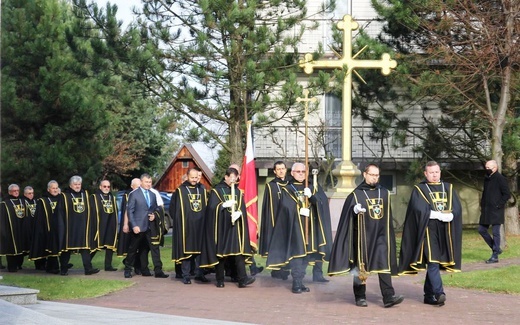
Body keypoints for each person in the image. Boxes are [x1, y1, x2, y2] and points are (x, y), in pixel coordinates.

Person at [328, 164, 404, 308]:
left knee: (384, 264)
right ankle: (360, 296)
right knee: (361, 267)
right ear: (365, 174)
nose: (375, 178)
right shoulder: (356, 194)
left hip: (381, 236)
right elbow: (347, 217)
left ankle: (388, 296)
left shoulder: (385, 193)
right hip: (363, 237)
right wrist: (354, 210)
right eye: (372, 175)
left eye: (377, 175)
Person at [399, 161, 462, 306]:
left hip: (445, 230)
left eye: (437, 172)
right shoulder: (419, 189)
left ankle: (428, 295)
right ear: (425, 174)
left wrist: (452, 215)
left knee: (436, 262)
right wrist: (434, 214)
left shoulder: (448, 188)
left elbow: (457, 207)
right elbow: (417, 209)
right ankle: (439, 293)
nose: (434, 175)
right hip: (428, 230)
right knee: (433, 261)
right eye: (431, 172)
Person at [266, 162, 332, 294]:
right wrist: (299, 210)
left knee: (306, 255)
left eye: (303, 172)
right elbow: (285, 206)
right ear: (292, 173)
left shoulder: (311, 186)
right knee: (298, 254)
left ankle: (300, 281)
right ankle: (296, 283)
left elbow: (320, 204)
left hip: (310, 228)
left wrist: (312, 197)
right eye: (298, 172)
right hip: (295, 227)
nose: (301, 174)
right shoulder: (287, 189)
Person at [200, 167, 255, 288]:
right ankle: (220, 279)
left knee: (238, 253)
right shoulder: (217, 191)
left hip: (235, 228)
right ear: (226, 177)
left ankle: (242, 279)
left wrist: (240, 212)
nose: (233, 181)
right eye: (231, 178)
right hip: (222, 227)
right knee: (221, 253)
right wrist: (223, 205)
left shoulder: (238, 192)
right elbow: (211, 209)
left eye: (235, 178)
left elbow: (241, 206)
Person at [124, 173, 169, 279]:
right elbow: (130, 211)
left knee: (154, 248)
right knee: (133, 249)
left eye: (150, 182)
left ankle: (158, 270)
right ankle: (128, 269)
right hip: (138, 227)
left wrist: (154, 215)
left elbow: (155, 208)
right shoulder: (134, 194)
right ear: (141, 182)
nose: (148, 184)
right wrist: (133, 225)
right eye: (146, 182)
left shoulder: (153, 195)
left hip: (150, 226)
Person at [170, 168, 209, 284]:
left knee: (199, 252)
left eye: (196, 177)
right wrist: (179, 223)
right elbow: (173, 209)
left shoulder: (202, 189)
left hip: (200, 226)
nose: (194, 180)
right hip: (186, 226)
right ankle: (185, 275)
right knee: (187, 252)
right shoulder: (180, 191)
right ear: (187, 177)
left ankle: (199, 273)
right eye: (192, 177)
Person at [56, 175, 99, 276]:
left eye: (79, 184)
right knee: (66, 249)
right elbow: (60, 213)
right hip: (69, 228)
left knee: (85, 248)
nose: (77, 186)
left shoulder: (85, 194)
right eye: (75, 184)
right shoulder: (64, 196)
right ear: (70, 185)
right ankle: (63, 269)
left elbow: (90, 210)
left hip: (83, 227)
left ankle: (88, 269)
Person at [259, 161, 290, 280]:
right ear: (275, 171)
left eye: (283, 168)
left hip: (288, 219)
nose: (281, 171)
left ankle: (285, 268)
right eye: (279, 169)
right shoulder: (271, 185)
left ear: (286, 169)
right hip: (276, 220)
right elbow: (268, 205)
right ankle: (276, 270)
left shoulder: (290, 183)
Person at [478, 160, 511, 263]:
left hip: (496, 211)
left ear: (495, 168)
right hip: (486, 210)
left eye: (489, 167)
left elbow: (507, 194)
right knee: (481, 229)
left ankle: (495, 256)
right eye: (486, 167)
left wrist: (498, 205)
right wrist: (482, 204)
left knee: (496, 232)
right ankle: (496, 248)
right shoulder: (487, 179)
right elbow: (485, 193)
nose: (486, 169)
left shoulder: (500, 179)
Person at [29, 180, 61, 274]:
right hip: (47, 228)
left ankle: (60, 265)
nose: (55, 190)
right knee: (51, 248)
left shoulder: (61, 199)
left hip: (59, 228)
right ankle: (52, 267)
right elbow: (39, 218)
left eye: (56, 188)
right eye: (53, 188)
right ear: (48, 189)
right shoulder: (42, 201)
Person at [0, 184, 30, 272]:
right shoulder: (5, 204)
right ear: (9, 192)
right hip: (10, 230)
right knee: (11, 248)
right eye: (14, 191)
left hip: (21, 229)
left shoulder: (23, 201)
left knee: (21, 248)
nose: (16, 192)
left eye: (17, 190)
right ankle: (12, 267)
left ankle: (19, 265)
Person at [91, 180, 118, 271]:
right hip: (99, 225)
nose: (106, 188)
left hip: (110, 224)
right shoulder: (94, 197)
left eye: (108, 187)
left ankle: (108, 265)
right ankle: (87, 264)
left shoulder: (112, 198)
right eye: (104, 186)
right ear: (100, 187)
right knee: (95, 245)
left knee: (110, 245)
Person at [117, 178, 143, 274]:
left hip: (141, 225)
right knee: (132, 248)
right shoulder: (128, 195)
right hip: (131, 225)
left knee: (140, 248)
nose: (139, 188)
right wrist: (125, 224)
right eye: (137, 186)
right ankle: (129, 266)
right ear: (132, 186)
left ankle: (138, 267)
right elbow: (126, 211)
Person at [23, 186, 41, 270]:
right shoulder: (22, 202)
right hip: (26, 227)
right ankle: (17, 265)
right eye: (29, 193)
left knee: (37, 246)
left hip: (35, 227)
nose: (31, 195)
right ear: (24, 194)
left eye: (32, 193)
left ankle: (39, 265)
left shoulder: (37, 201)